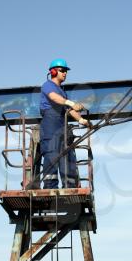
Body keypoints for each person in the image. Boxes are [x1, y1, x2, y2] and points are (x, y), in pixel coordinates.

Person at [39, 58, 90, 189]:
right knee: (52, 154)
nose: (65, 73)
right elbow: (54, 98)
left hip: (62, 125)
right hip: (50, 125)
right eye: (62, 71)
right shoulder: (48, 85)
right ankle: (50, 186)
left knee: (67, 154)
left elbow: (68, 110)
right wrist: (70, 102)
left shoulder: (62, 92)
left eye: (66, 71)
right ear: (53, 71)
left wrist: (81, 120)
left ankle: (70, 185)